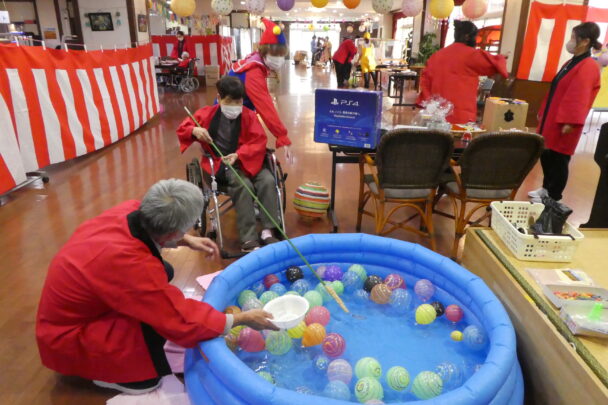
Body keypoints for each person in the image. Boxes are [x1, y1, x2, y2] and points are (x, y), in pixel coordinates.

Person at [36, 179, 278, 395]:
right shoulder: (132, 266)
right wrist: (241, 319)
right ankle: (98, 373)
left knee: (164, 271)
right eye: (186, 229)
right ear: (172, 230)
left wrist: (186, 239)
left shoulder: (130, 209)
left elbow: (153, 240)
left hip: (88, 297)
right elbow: (178, 317)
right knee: (147, 382)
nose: (187, 232)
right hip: (68, 337)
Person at [177, 76, 282, 251]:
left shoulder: (249, 115)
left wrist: (239, 154)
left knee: (268, 181)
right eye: (229, 101)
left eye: (238, 101)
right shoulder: (206, 114)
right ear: (219, 97)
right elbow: (183, 129)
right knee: (243, 185)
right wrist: (195, 130)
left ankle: (268, 231)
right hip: (224, 164)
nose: (234, 105)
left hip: (251, 160)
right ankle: (248, 238)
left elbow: (258, 141)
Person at [529, 22, 602, 203]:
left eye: (572, 38)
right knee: (546, 154)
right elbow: (555, 88)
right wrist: (543, 111)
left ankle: (554, 196)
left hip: (566, 123)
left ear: (585, 41)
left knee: (559, 159)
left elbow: (579, 97)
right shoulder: (570, 62)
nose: (569, 42)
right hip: (552, 118)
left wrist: (570, 122)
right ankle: (546, 188)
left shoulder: (588, 66)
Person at [227, 18, 293, 163]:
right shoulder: (254, 72)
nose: (279, 59)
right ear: (264, 52)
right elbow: (265, 106)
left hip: (237, 113)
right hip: (230, 119)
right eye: (276, 55)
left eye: (282, 55)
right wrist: (282, 136)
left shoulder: (253, 59)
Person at [417, 20, 508, 124]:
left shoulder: (436, 56)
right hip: (461, 112)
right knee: (460, 138)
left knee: (437, 138)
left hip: (437, 111)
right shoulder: (472, 55)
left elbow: (425, 81)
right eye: (475, 37)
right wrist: (502, 58)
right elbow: (494, 66)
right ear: (467, 36)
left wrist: (430, 103)